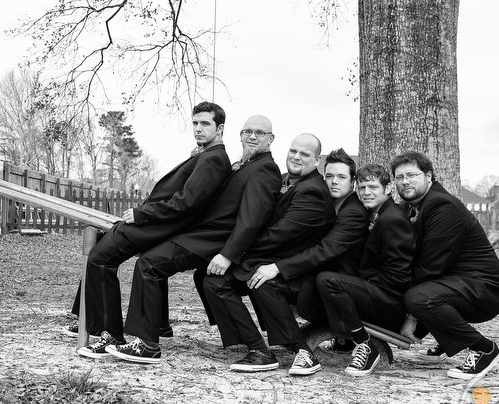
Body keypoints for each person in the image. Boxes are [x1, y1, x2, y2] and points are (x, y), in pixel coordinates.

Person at [106, 115, 282, 364]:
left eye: (260, 133)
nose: (252, 136)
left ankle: (147, 344)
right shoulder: (243, 164)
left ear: (271, 139)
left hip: (212, 242)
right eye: (247, 131)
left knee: (149, 265)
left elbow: (252, 219)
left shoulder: (265, 169)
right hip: (199, 236)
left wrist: (227, 255)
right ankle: (156, 329)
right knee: (149, 260)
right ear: (240, 135)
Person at [74, 102, 232, 359]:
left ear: (220, 128)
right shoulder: (205, 155)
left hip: (159, 225)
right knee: (103, 254)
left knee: (101, 259)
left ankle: (110, 334)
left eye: (205, 124)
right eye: (195, 123)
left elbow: (187, 203)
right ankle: (107, 328)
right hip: (157, 223)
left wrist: (142, 214)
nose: (198, 129)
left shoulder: (214, 159)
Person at [201, 134, 335, 374]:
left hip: (297, 272)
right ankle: (256, 347)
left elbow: (279, 235)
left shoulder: (313, 192)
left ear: (317, 161)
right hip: (267, 258)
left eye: (304, 154)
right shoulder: (286, 181)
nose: (296, 156)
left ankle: (300, 350)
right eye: (293, 150)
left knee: (254, 281)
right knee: (212, 280)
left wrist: (232, 252)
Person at [391, 151, 499, 381]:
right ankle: (446, 341)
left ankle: (483, 349)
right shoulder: (410, 208)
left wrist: (411, 316)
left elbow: (429, 267)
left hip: (482, 288)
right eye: (399, 177)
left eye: (411, 175)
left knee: (419, 298)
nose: (405, 181)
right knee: (417, 294)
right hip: (455, 282)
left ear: (429, 176)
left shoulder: (442, 206)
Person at [316, 163, 415, 376]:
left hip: (389, 301)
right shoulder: (379, 214)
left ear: (387, 189)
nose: (366, 193)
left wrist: (363, 286)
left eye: (373, 187)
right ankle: (345, 341)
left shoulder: (393, 220)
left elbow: (399, 274)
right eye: (361, 188)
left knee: (327, 280)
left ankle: (365, 344)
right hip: (379, 291)